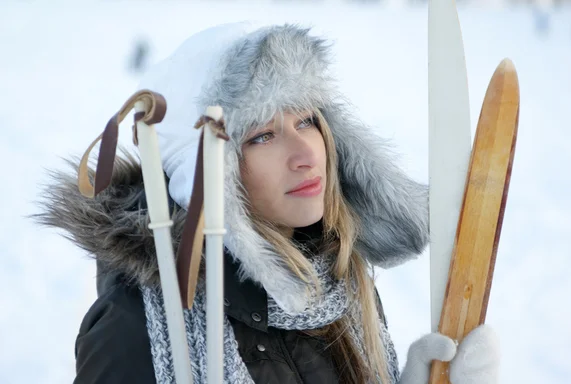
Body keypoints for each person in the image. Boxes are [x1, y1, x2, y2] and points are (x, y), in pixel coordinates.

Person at [35, 22, 499, 384]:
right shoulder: (133, 331)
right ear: (208, 177)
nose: (304, 155)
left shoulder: (337, 280)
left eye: (307, 121)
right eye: (262, 135)